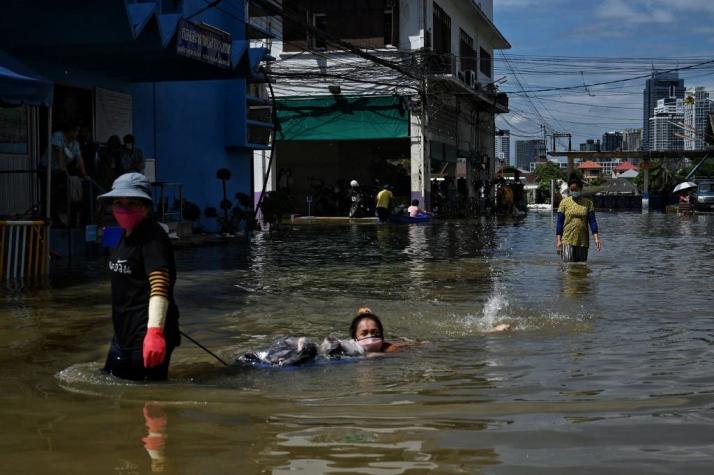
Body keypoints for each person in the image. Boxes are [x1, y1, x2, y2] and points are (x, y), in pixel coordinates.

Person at [97, 173, 180, 381]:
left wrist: (155, 333)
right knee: (111, 383)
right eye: (118, 202)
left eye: (132, 202)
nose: (124, 208)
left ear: (145, 206)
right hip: (122, 333)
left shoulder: (153, 237)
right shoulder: (116, 235)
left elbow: (160, 284)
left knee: (149, 398)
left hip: (148, 332)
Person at [556, 174, 602, 262]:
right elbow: (559, 223)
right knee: (567, 268)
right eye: (572, 189)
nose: (574, 191)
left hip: (583, 240)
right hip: (567, 239)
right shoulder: (564, 203)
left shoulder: (588, 203)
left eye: (576, 189)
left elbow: (592, 222)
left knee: (581, 268)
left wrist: (596, 239)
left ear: (580, 189)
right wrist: (558, 241)